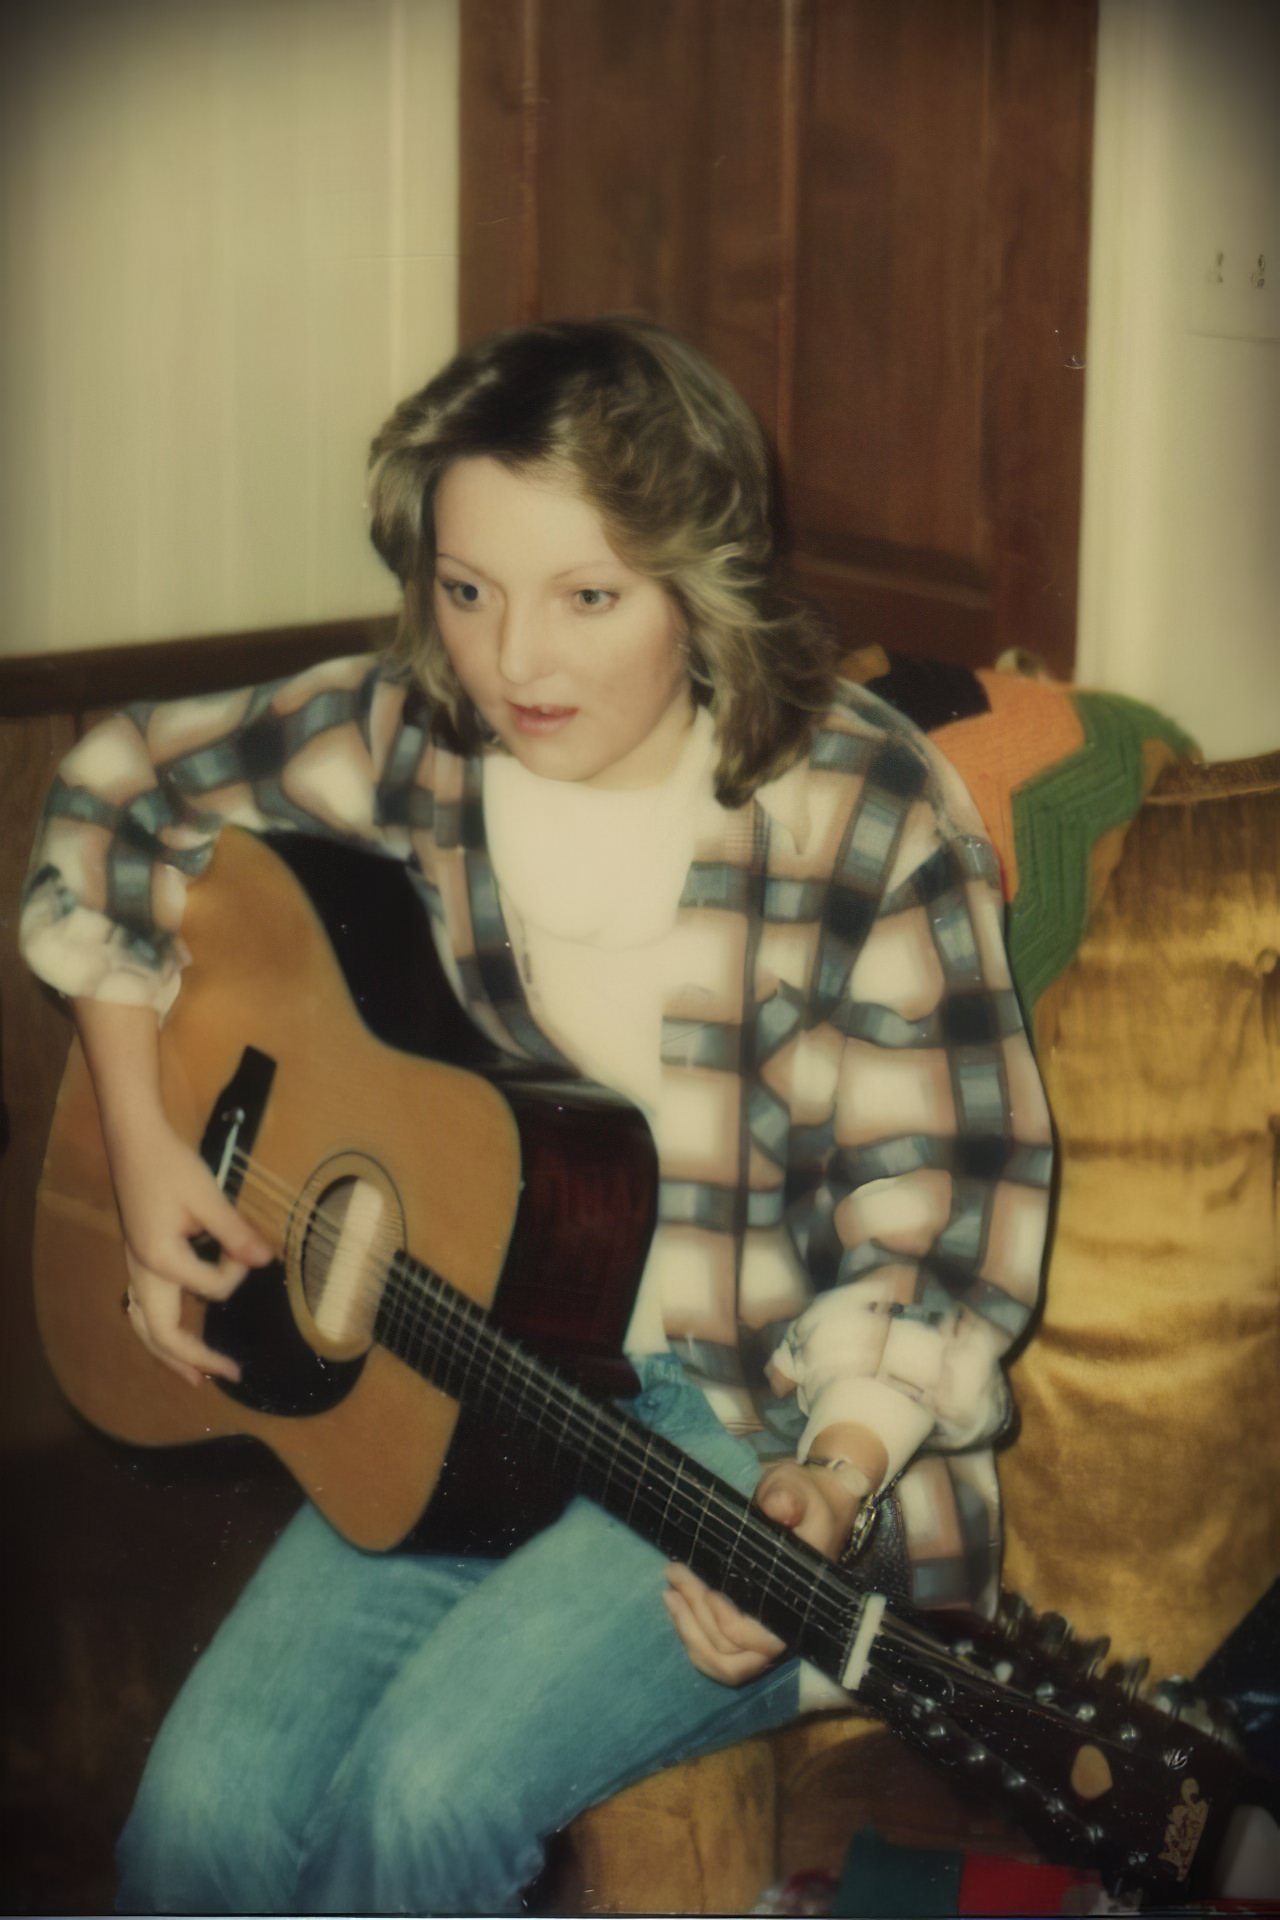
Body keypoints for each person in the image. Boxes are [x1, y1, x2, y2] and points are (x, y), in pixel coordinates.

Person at [20, 316, 1054, 1914]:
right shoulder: (414, 739)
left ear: (700, 583)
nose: (516, 663)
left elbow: (942, 1219)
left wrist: (826, 1485)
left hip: (763, 1428)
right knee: (195, 1827)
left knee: (423, 1808)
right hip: (462, 1390)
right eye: (468, 588)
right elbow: (115, 793)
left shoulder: (860, 807)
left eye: (590, 597)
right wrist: (149, 1155)